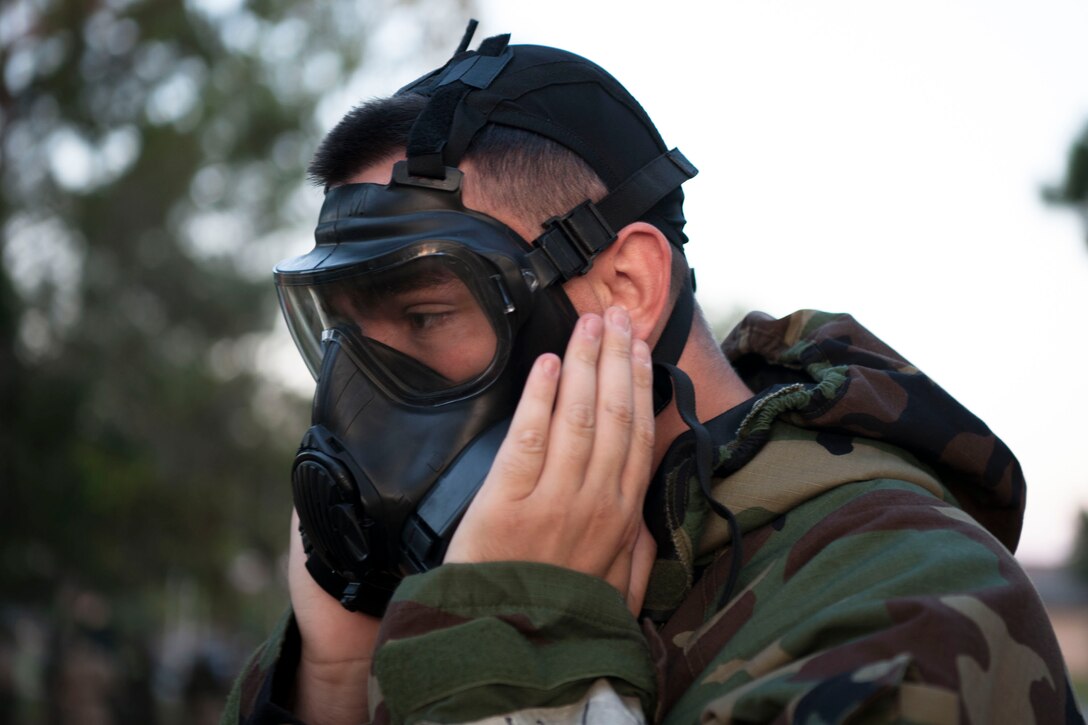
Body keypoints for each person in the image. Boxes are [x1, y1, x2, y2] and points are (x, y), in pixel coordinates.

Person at [223, 25, 1083, 725]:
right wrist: (332, 685)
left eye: (424, 316)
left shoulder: (909, 607)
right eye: (341, 332)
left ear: (626, 290)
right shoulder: (429, 601)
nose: (360, 397)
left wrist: (511, 654)